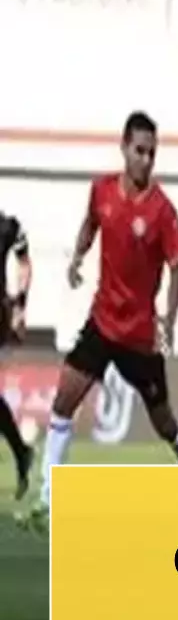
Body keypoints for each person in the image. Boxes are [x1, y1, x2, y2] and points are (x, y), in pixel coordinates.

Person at [33, 111, 178, 519]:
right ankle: (48, 500)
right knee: (63, 403)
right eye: (139, 151)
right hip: (102, 323)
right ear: (123, 148)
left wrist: (169, 320)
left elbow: (177, 270)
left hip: (140, 337)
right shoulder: (102, 190)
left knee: (165, 423)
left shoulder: (162, 211)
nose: (146, 160)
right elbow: (90, 224)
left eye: (152, 153)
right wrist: (77, 257)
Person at [0, 208, 34, 497]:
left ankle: (21, 451)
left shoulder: (7, 225)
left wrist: (20, 307)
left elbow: (24, 262)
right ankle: (21, 451)